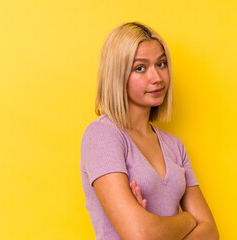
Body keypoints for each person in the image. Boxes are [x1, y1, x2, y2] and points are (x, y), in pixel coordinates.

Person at [80, 22, 219, 240]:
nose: (156, 78)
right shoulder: (102, 135)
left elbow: (210, 232)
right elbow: (141, 234)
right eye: (140, 68)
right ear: (117, 74)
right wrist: (189, 220)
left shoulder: (175, 146)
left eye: (161, 64)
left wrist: (154, 226)